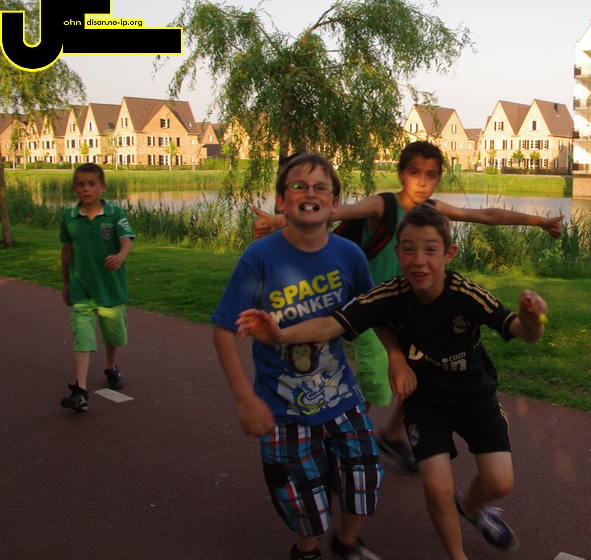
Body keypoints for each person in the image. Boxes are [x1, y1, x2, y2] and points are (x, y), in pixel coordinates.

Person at [238, 203, 549, 559]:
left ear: (449, 254)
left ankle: (471, 506)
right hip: (426, 405)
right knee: (437, 489)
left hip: (475, 398)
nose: (420, 261)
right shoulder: (389, 295)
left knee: (500, 482)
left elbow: (521, 330)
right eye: (409, 250)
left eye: (430, 250)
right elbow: (332, 323)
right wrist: (280, 335)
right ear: (398, 253)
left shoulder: (466, 293)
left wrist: (534, 321)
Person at [252, 140, 562, 473]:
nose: (422, 182)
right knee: (375, 380)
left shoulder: (432, 211)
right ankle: (342, 436)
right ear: (401, 174)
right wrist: (280, 222)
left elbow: (486, 215)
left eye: (431, 175)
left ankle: (390, 436)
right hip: (372, 308)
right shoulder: (383, 204)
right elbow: (333, 211)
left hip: (408, 312)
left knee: (420, 375)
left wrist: (539, 221)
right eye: (414, 173)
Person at [211, 153, 386, 560]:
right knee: (303, 498)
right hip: (283, 407)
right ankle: (307, 550)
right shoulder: (259, 257)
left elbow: (372, 311)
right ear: (281, 200)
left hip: (342, 397)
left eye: (321, 187)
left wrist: (396, 358)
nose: (310, 193)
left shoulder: (349, 255)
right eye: (298, 186)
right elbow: (223, 328)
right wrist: (244, 399)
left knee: (364, 475)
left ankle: (347, 543)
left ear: (335, 203)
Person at [59, 163, 135, 412]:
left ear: (102, 186)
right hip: (81, 290)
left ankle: (111, 367)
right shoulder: (69, 218)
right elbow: (66, 251)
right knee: (82, 337)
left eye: (91, 184)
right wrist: (66, 283)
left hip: (110, 290)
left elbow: (126, 241)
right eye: (81, 184)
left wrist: (120, 256)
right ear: (74, 189)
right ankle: (80, 391)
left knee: (114, 336)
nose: (86, 189)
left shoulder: (115, 214)